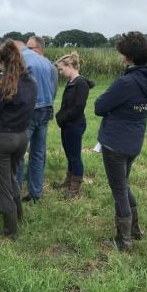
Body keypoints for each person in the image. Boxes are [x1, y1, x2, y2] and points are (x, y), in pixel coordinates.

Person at [95, 32, 147, 251]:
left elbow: (99, 106)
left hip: (115, 143)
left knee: (119, 190)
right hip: (134, 141)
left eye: (123, 54)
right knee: (124, 184)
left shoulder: (126, 82)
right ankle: (135, 230)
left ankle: (123, 241)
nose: (121, 58)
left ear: (129, 57)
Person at [0, 40, 37, 239]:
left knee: (1, 184)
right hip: (22, 136)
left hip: (3, 138)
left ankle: (10, 230)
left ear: (3, 62)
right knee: (11, 177)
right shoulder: (31, 82)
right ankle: (18, 214)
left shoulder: (5, 86)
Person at [16, 36, 58, 202]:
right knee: (39, 153)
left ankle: (15, 192)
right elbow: (54, 88)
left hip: (30, 110)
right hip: (46, 109)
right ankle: (35, 193)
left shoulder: (22, 60)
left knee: (19, 152)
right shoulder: (48, 63)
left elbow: (18, 87)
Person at [55, 51, 95, 198]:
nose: (60, 72)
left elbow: (78, 107)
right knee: (69, 154)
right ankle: (69, 181)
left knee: (75, 156)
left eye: (61, 69)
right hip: (67, 124)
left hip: (75, 125)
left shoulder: (81, 83)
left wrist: (61, 118)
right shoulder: (71, 82)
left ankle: (75, 189)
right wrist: (60, 117)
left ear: (70, 65)